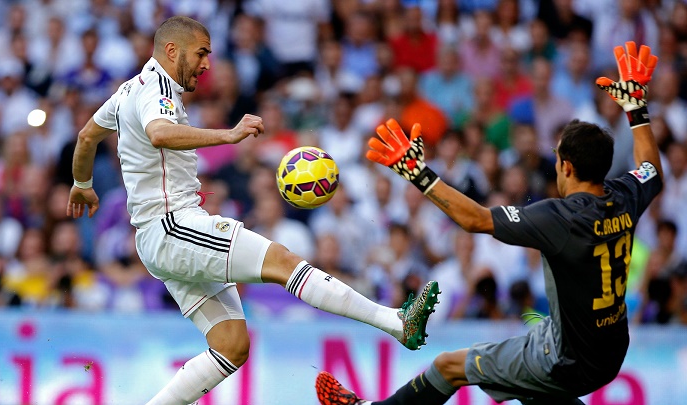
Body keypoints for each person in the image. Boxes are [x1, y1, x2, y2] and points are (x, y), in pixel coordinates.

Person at [65, 16, 440, 405]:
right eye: (202, 53)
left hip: (157, 239)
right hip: (173, 225)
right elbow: (159, 132)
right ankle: (396, 323)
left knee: (231, 347)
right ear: (171, 51)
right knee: (282, 261)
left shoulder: (129, 89)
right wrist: (227, 135)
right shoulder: (155, 89)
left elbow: (87, 135)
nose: (207, 64)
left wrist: (82, 184)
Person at [315, 41, 661, 405]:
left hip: (564, 358)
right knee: (533, 387)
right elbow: (652, 169)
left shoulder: (558, 218)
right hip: (607, 350)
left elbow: (475, 219)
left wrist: (418, 173)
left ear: (567, 167)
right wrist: (636, 106)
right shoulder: (624, 195)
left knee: (449, 365)